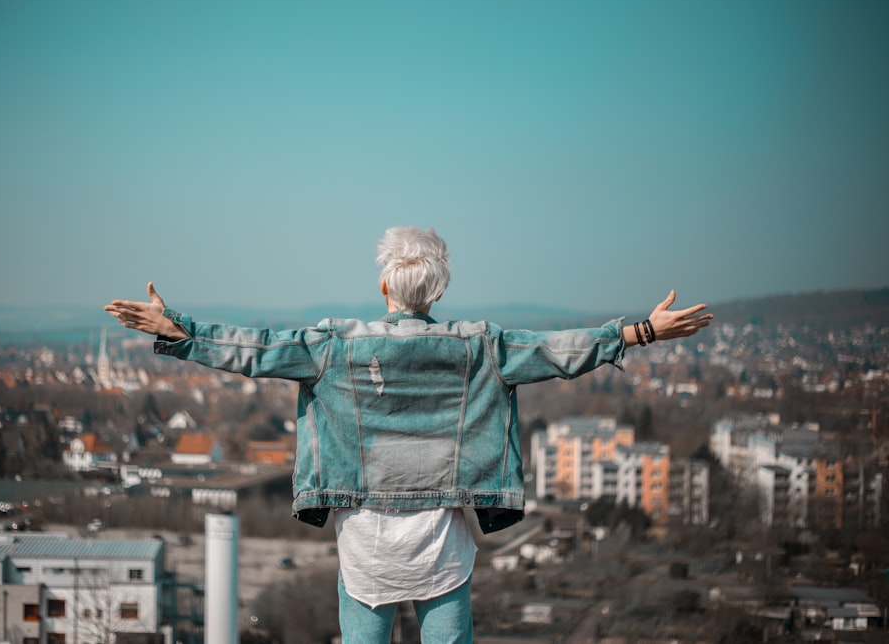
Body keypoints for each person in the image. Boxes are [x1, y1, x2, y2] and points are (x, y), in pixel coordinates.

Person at [104, 226, 712, 644]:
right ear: (439, 291)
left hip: (364, 540)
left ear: (384, 288)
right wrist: (641, 332)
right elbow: (561, 351)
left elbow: (255, 350)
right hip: (442, 540)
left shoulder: (333, 346)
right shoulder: (482, 347)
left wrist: (178, 329)